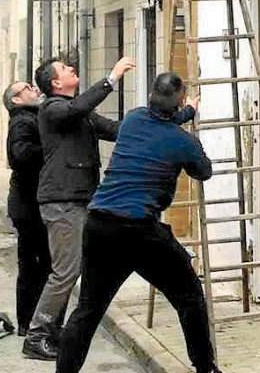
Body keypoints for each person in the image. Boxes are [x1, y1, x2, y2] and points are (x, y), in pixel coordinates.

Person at [57, 72, 223, 373]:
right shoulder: (183, 142)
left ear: (150, 97)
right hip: (139, 231)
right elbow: (204, 172)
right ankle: (205, 368)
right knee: (189, 296)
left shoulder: (133, 119)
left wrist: (187, 112)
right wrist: (189, 123)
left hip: (99, 224)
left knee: (88, 309)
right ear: (179, 102)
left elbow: (161, 122)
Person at [22, 55, 135, 361]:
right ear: (55, 83)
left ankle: (55, 331)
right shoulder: (52, 108)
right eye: (65, 68)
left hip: (79, 200)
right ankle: (37, 335)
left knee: (76, 269)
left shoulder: (78, 112)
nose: (72, 68)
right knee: (65, 272)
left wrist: (159, 118)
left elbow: (116, 129)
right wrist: (111, 78)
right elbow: (76, 109)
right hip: (62, 203)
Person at [3, 80, 51, 336]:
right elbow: (21, 155)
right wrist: (51, 147)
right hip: (29, 206)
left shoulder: (32, 116)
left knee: (40, 264)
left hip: (31, 204)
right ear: (17, 99)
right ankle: (28, 322)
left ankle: (32, 321)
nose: (35, 90)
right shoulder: (22, 120)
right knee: (34, 265)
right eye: (28, 88)